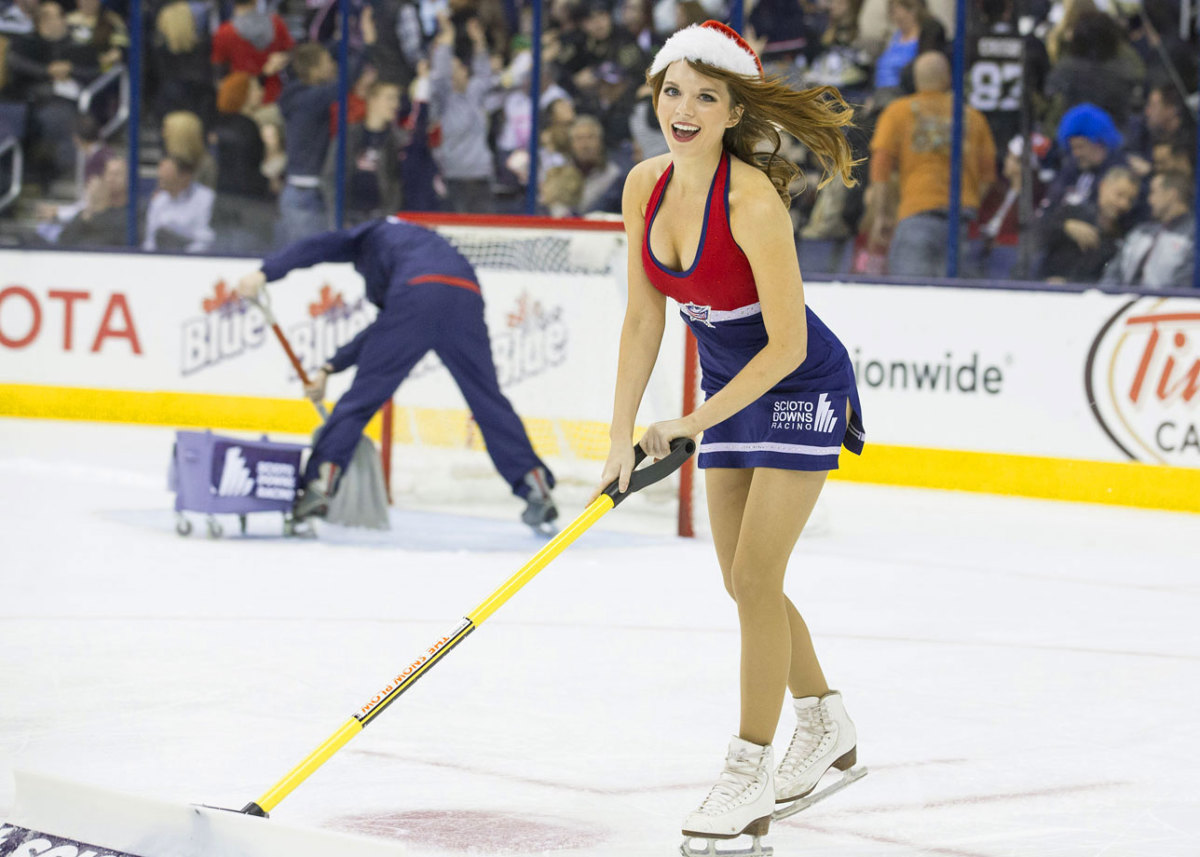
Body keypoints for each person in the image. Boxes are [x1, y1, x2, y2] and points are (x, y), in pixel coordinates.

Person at [599, 20, 866, 851]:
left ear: (730, 110)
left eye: (704, 97)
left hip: (801, 383)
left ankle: (747, 774)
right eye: (672, 91)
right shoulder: (644, 185)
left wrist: (688, 422)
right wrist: (618, 439)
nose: (683, 109)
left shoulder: (752, 200)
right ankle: (826, 722)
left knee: (756, 576)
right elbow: (644, 318)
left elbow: (786, 345)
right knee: (740, 581)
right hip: (729, 389)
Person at [234, 216, 559, 532]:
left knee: (361, 399)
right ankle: (534, 484)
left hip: (417, 295)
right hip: (465, 295)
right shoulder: (421, 242)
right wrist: (329, 367)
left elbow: (319, 246)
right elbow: (389, 325)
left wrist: (265, 272)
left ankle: (321, 482)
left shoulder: (370, 235)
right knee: (488, 400)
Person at [865, 51, 997, 278]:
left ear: (916, 80)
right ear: (947, 78)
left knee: (912, 300)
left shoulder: (898, 112)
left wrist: (880, 216)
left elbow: (881, 169)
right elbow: (987, 177)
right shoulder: (973, 117)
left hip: (917, 217)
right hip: (962, 223)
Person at [1100, 170, 1196, 289]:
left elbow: (1183, 283)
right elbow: (1114, 271)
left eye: (1153, 192)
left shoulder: (1193, 235)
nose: (1150, 200)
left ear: (1171, 194)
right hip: (1121, 302)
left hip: (1164, 304)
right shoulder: (1140, 231)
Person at [143, 154, 215, 253]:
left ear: (185, 176)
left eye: (166, 172)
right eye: (160, 170)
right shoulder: (158, 200)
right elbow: (150, 240)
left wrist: (180, 255)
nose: (160, 175)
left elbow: (206, 239)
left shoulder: (206, 198)